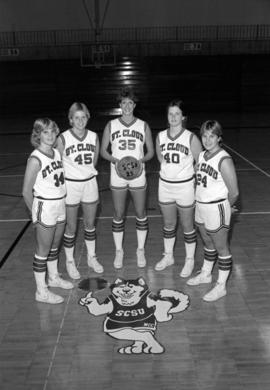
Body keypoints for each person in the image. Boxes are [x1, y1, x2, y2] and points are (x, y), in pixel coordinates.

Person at [100, 86, 154, 269]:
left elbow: (151, 152)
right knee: (118, 214)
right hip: (118, 175)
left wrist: (139, 162)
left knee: (140, 213)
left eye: (130, 102)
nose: (127, 106)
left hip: (138, 174)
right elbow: (103, 151)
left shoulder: (143, 125)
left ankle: (140, 250)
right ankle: (119, 251)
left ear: (135, 104)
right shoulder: (111, 125)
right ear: (119, 105)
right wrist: (116, 161)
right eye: (124, 103)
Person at [22, 118, 74, 304]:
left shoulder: (56, 152)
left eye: (52, 131)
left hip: (60, 203)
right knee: (42, 251)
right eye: (45, 132)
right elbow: (26, 191)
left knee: (55, 246)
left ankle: (53, 277)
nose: (50, 135)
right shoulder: (35, 159)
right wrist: (34, 215)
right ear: (37, 134)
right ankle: (41, 291)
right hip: (45, 206)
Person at [187, 120, 239, 302]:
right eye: (204, 136)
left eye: (212, 136)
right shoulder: (201, 156)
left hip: (216, 207)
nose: (208, 140)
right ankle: (206, 274)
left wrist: (227, 206)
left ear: (219, 138)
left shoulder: (224, 159)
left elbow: (234, 192)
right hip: (200, 206)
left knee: (221, 248)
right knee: (207, 243)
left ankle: (221, 286)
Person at [154, 100, 202, 277]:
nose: (173, 117)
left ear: (183, 117)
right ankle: (168, 256)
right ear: (167, 117)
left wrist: (188, 176)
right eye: (170, 114)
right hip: (165, 186)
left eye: (177, 114)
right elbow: (160, 158)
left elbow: (200, 162)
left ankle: (189, 260)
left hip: (185, 187)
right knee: (168, 224)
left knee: (188, 225)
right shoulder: (160, 136)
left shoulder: (191, 137)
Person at [56, 102, 103, 280]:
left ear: (87, 118)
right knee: (71, 226)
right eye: (76, 117)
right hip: (70, 185)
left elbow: (94, 161)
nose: (80, 120)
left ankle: (91, 257)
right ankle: (69, 261)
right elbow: (57, 163)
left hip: (90, 183)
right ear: (70, 119)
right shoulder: (63, 138)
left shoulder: (93, 136)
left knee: (90, 225)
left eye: (83, 117)